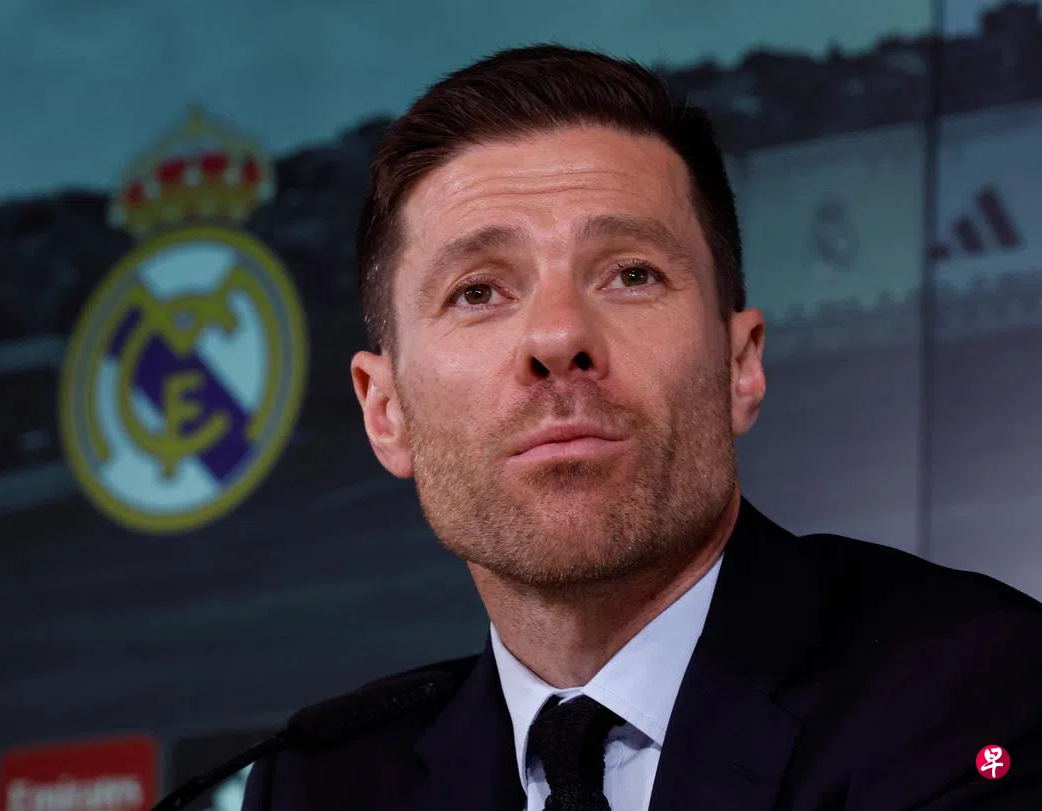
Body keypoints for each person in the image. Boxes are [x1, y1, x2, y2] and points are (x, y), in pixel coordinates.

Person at [241, 44, 1042, 810]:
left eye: (631, 274)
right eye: (478, 291)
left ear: (739, 365)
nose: (559, 336)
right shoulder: (321, 786)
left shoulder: (972, 692)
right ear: (385, 411)